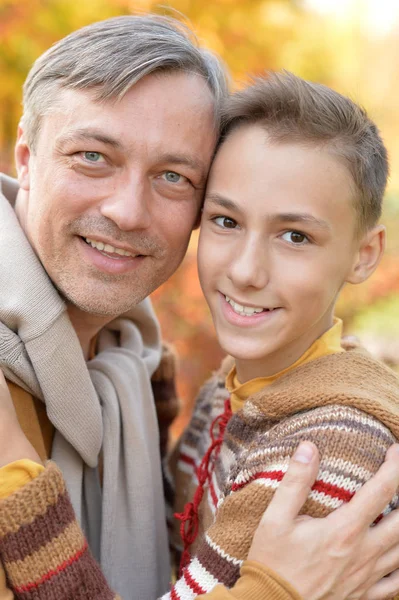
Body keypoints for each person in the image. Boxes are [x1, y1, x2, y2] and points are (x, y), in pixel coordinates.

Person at [1, 13, 399, 600]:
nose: (128, 211)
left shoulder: (135, 364)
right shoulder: (211, 393)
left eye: (172, 175)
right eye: (92, 156)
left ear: (364, 255)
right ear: (27, 159)